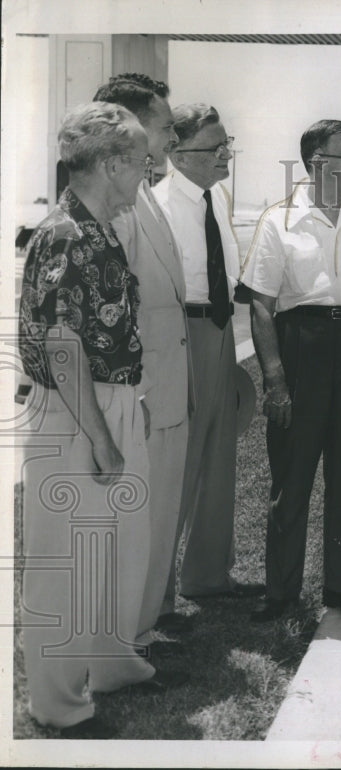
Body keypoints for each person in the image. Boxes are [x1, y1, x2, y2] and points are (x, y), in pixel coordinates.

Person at [19, 102, 188, 739]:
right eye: (142, 162)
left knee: (118, 548)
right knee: (65, 560)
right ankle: (58, 705)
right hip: (74, 409)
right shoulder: (65, 233)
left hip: (109, 399)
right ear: (112, 163)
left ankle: (112, 663)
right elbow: (62, 345)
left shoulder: (100, 227)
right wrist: (99, 436)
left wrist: (128, 407)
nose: (148, 172)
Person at [242, 120, 341, 622]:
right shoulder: (279, 219)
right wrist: (275, 378)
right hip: (301, 347)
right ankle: (281, 593)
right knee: (292, 477)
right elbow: (262, 305)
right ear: (317, 163)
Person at [96, 73, 194, 645]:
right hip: (144, 388)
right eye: (163, 127)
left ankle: (147, 623)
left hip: (168, 383)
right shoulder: (117, 205)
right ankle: (125, 635)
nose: (170, 139)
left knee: (159, 515)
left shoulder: (146, 195)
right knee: (136, 520)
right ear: (129, 127)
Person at [153, 104, 263, 603]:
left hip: (218, 331)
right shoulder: (155, 206)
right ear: (177, 151)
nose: (226, 155)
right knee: (179, 461)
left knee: (219, 454)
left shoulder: (216, 195)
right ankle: (154, 596)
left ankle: (206, 577)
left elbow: (229, 269)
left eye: (227, 144)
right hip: (181, 332)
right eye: (215, 148)